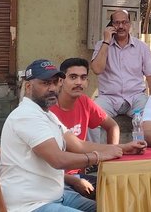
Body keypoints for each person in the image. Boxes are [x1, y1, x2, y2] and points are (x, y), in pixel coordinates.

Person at [0, 60, 145, 212]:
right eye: (45, 83)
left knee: (112, 207)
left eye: (55, 82)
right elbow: (58, 160)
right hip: (31, 204)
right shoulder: (26, 116)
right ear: (29, 86)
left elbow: (78, 145)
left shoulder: (46, 114)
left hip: (55, 195)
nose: (52, 88)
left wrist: (122, 148)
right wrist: (97, 156)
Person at [49, 58, 119, 198]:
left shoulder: (85, 102)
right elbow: (46, 164)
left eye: (83, 78)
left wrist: (111, 159)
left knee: (121, 191)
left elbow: (112, 126)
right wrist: (74, 181)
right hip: (53, 180)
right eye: (73, 77)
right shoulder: (48, 110)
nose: (79, 82)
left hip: (79, 176)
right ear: (61, 81)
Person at [90, 10, 151, 121]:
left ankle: (140, 139)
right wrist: (106, 41)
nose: (121, 26)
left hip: (136, 97)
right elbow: (97, 69)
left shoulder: (141, 47)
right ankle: (95, 140)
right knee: (92, 117)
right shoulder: (101, 45)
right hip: (108, 98)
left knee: (149, 118)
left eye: (124, 22)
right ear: (111, 26)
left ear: (129, 24)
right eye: (117, 23)